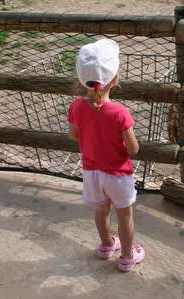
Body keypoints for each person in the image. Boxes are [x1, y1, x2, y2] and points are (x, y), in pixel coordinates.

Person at [67, 38, 145, 272]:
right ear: (115, 79)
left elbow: (74, 136)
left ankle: (106, 245)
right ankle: (127, 257)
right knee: (125, 214)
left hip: (91, 172)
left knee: (102, 209)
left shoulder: (76, 107)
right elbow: (133, 149)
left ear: (82, 80)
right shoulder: (120, 113)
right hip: (117, 174)